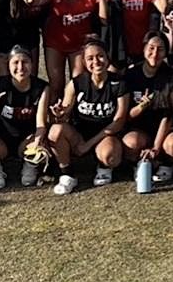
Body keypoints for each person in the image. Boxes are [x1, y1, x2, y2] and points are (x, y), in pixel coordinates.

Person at [46, 40, 129, 195]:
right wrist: (59, 114)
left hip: (106, 135)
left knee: (111, 156)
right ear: (83, 61)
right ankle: (67, 174)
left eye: (100, 56)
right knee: (55, 131)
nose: (96, 61)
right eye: (90, 58)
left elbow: (118, 122)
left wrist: (88, 144)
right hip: (79, 135)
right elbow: (64, 114)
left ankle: (103, 167)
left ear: (107, 57)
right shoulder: (76, 83)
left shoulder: (118, 83)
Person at [0, 45, 51, 189]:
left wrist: (37, 143)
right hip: (0, 141)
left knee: (44, 146)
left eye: (25, 62)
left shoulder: (41, 87)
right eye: (15, 62)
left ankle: (29, 165)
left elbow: (41, 123)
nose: (20, 67)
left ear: (32, 64)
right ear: (8, 65)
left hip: (26, 141)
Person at [35, 0, 107, 95]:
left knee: (77, 84)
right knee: (56, 84)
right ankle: (53, 114)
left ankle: (73, 114)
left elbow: (103, 19)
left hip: (80, 46)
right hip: (55, 44)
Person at [124, 32, 173, 184]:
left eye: (160, 49)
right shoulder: (131, 74)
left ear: (166, 52)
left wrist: (156, 147)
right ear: (144, 49)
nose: (155, 53)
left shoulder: (172, 76)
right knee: (131, 142)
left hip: (165, 128)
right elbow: (126, 115)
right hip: (139, 127)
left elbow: (169, 114)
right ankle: (139, 163)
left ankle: (166, 163)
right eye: (151, 48)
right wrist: (141, 107)